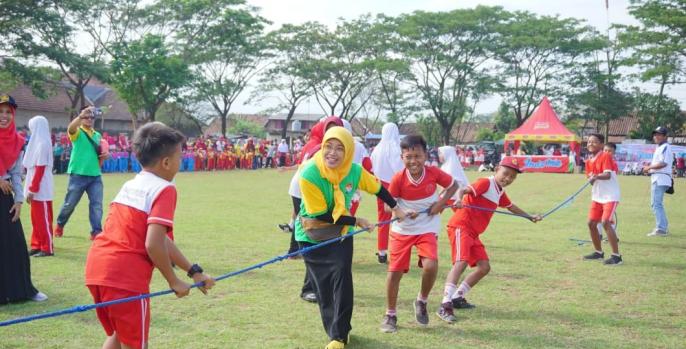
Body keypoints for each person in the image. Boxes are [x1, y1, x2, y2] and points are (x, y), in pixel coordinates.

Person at [84, 122, 215, 349]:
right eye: (179, 156)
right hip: (125, 278)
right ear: (166, 162)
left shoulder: (132, 184)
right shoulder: (164, 189)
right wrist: (173, 280)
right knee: (135, 344)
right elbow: (153, 244)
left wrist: (193, 272)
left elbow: (162, 240)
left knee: (119, 335)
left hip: (98, 269)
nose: (181, 161)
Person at [295, 126, 405, 349]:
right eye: (328, 147)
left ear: (348, 152)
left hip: (341, 234)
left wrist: (396, 208)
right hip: (312, 234)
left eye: (339, 149)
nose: (332, 153)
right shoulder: (309, 173)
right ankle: (334, 332)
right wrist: (357, 221)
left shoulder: (354, 171)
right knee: (324, 288)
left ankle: (339, 336)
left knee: (343, 281)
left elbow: (377, 188)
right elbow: (320, 214)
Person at [437, 157, 541, 322]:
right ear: (497, 169)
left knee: (484, 267)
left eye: (512, 177)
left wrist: (530, 217)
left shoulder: (500, 192)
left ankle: (457, 297)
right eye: (505, 174)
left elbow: (511, 207)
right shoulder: (486, 182)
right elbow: (464, 190)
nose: (507, 179)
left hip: (473, 234)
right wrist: (458, 199)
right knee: (461, 262)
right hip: (461, 227)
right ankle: (445, 304)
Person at [380, 135, 457, 333]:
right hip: (402, 230)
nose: (413, 161)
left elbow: (454, 186)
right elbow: (388, 208)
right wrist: (401, 212)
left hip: (427, 226)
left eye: (418, 156)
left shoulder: (433, 173)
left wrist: (440, 204)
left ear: (425, 155)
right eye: (409, 157)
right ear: (402, 157)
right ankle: (390, 314)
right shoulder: (398, 178)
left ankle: (421, 301)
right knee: (394, 272)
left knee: (431, 265)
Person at [283, 116, 343, 304]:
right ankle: (309, 288)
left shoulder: (328, 148)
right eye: (329, 129)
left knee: (317, 238)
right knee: (313, 238)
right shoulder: (318, 148)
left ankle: (315, 284)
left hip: (313, 192)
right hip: (304, 191)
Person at [0, 94, 48, 304]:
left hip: (5, 197)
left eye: (8, 112)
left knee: (16, 244)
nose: (4, 116)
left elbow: (16, 173)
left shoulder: (17, 141)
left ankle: (23, 290)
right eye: (0, 111)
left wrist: (18, 201)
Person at [55, 107, 108, 239]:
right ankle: (60, 224)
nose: (89, 119)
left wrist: (104, 156)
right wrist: (80, 116)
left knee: (97, 205)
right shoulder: (77, 132)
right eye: (86, 117)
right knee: (70, 204)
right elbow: (70, 128)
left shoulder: (97, 135)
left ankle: (96, 232)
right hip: (78, 174)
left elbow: (99, 155)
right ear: (82, 118)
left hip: (95, 176)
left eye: (91, 117)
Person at [582, 134, 622, 265]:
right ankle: (598, 252)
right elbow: (591, 181)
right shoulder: (588, 161)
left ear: (601, 144)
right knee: (591, 223)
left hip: (610, 196)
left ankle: (617, 257)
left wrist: (596, 176)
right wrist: (591, 179)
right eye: (589, 142)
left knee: (605, 222)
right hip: (597, 196)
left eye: (594, 142)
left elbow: (607, 175)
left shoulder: (605, 156)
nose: (591, 144)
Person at [370, 123, 405, 264]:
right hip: (394, 186)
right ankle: (400, 250)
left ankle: (382, 252)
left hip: (379, 186)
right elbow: (400, 170)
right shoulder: (396, 149)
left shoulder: (376, 150)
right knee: (401, 217)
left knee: (383, 219)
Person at [23, 116, 55, 257]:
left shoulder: (43, 144)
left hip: (40, 186)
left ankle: (47, 247)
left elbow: (40, 169)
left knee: (43, 219)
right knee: (36, 218)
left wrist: (33, 189)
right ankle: (37, 244)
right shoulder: (38, 143)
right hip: (35, 184)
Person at [643, 126, 674, 237]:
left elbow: (663, 163)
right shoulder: (660, 147)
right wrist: (649, 169)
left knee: (656, 204)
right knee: (656, 204)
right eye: (655, 134)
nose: (656, 136)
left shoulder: (665, 147)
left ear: (665, 136)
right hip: (659, 177)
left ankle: (661, 229)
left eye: (659, 134)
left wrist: (649, 167)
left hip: (660, 178)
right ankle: (662, 227)